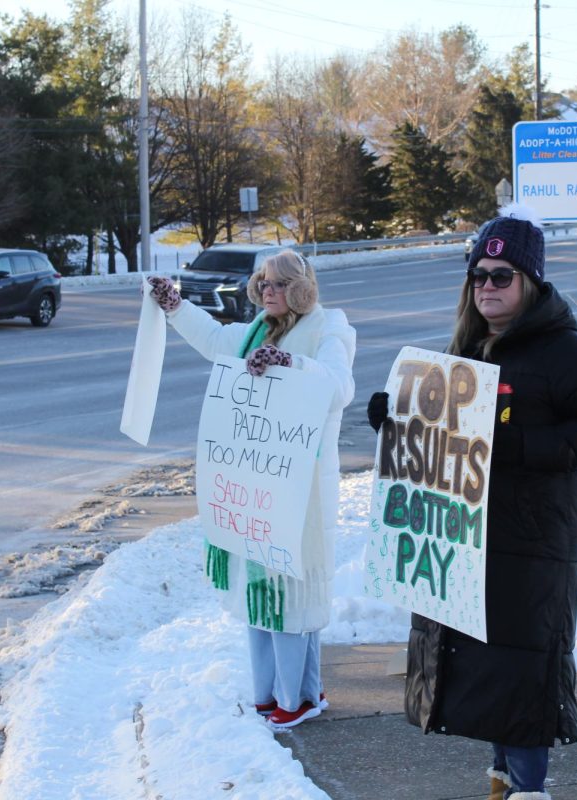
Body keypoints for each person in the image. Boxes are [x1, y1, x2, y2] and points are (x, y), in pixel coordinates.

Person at [368, 204, 577, 800]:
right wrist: (395, 420)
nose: (488, 287)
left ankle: (528, 790)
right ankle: (502, 785)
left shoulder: (565, 353)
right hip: (470, 536)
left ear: (531, 282)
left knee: (524, 675)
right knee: (488, 672)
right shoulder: (467, 352)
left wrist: (520, 445)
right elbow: (448, 438)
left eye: (502, 277)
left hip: (535, 542)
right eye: (479, 276)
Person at [147, 250, 356, 731]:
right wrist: (175, 305)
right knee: (258, 593)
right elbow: (214, 339)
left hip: (300, 490)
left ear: (301, 289)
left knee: (291, 597)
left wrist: (289, 363)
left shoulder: (330, 328)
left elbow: (339, 387)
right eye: (263, 282)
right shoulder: (255, 328)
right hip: (258, 482)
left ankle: (297, 698)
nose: (268, 290)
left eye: (279, 284)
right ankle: (280, 692)